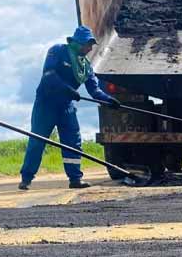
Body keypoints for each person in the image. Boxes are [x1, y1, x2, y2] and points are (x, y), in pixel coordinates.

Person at [19, 25, 120, 190]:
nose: (90, 48)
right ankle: (26, 178)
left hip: (66, 106)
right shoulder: (58, 51)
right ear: (79, 43)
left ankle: (75, 179)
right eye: (88, 44)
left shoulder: (86, 66)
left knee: (73, 142)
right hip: (46, 104)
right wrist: (67, 89)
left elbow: (94, 90)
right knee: (38, 140)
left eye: (91, 45)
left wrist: (109, 100)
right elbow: (48, 75)